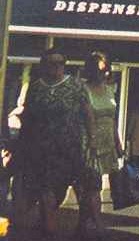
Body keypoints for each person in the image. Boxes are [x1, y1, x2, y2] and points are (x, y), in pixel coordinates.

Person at [12, 49, 95, 240]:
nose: (55, 67)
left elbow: (88, 113)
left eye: (59, 63)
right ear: (43, 65)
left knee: (63, 189)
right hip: (41, 148)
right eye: (51, 63)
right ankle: (48, 230)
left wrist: (92, 140)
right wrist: (21, 144)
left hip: (69, 148)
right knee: (46, 188)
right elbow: (28, 117)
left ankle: (76, 226)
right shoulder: (36, 87)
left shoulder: (76, 86)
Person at [80, 51, 125, 239]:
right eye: (101, 70)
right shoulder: (83, 89)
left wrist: (118, 142)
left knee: (91, 186)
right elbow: (86, 118)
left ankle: (81, 226)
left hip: (107, 141)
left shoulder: (109, 89)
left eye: (107, 70)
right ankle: (99, 226)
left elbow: (113, 119)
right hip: (90, 142)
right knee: (94, 184)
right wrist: (92, 141)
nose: (106, 74)